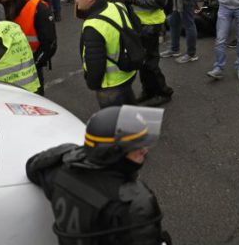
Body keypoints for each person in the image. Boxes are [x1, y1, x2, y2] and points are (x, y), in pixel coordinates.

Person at [26, 105, 170, 245]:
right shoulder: (134, 201)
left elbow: (32, 168)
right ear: (112, 152)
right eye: (136, 146)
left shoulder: (58, 168)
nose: (144, 150)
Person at [75, 0, 139, 108]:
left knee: (115, 124)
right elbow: (136, 26)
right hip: (127, 73)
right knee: (130, 117)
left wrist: (93, 84)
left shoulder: (93, 25)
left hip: (110, 85)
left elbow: (95, 64)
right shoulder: (116, 6)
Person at [122, 0, 174, 106]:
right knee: (142, 61)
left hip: (151, 25)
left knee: (150, 62)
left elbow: (158, 2)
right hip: (141, 24)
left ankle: (163, 91)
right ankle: (148, 90)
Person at [0, 0, 56, 93]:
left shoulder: (38, 8)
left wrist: (32, 65)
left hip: (30, 69)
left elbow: (49, 44)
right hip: (6, 70)